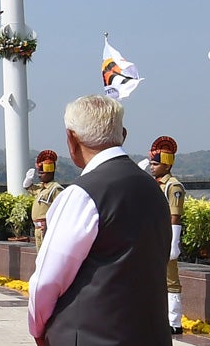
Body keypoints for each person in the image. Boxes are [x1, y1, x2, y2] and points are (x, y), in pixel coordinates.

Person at [27, 95, 171, 345]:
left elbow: (47, 281)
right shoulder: (153, 189)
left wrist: (38, 329)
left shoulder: (82, 193)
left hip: (89, 335)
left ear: (71, 139)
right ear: (122, 135)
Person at [147, 136, 186, 335]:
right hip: (154, 237)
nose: (152, 167)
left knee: (171, 280)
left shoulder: (173, 186)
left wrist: (173, 243)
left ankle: (174, 321)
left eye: (156, 163)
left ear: (166, 164)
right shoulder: (156, 184)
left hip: (166, 237)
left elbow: (174, 217)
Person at [23, 150, 64, 250]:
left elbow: (60, 211)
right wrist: (28, 178)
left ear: (50, 172)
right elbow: (27, 187)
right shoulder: (41, 187)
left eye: (42, 173)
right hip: (37, 228)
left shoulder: (55, 188)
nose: (39, 175)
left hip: (46, 228)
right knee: (39, 257)